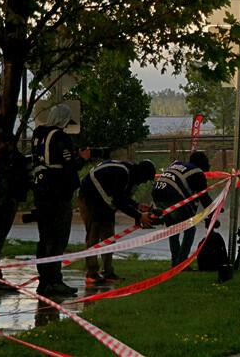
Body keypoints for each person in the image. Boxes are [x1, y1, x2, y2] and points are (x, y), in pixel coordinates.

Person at [31, 104, 90, 297]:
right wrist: (82, 159)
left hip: (40, 190)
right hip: (57, 193)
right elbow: (68, 165)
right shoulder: (60, 137)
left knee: (44, 237)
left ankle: (44, 280)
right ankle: (54, 280)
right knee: (58, 238)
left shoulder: (38, 135)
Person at [78, 159, 156, 285]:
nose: (144, 183)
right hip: (89, 198)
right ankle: (91, 273)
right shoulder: (122, 173)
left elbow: (122, 197)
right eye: (145, 179)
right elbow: (118, 201)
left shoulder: (129, 174)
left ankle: (108, 272)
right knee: (94, 236)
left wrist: (137, 206)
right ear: (141, 174)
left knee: (108, 237)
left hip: (104, 201)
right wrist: (139, 216)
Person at [151, 151, 214, 267]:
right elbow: (203, 196)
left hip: (157, 193)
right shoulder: (197, 172)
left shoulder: (177, 164)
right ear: (202, 163)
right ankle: (182, 263)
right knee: (189, 229)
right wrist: (214, 210)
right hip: (172, 196)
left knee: (173, 228)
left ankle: (175, 261)